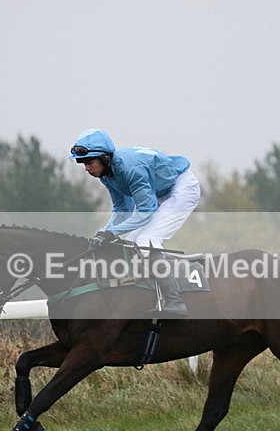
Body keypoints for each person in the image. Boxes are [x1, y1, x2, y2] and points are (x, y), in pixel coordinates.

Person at [70, 128, 201, 318]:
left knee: (146, 240)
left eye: (90, 162)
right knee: (130, 245)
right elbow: (122, 209)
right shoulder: (106, 174)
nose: (87, 168)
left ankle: (175, 302)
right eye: (83, 164)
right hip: (159, 193)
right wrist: (104, 232)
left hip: (181, 188)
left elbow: (146, 211)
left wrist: (112, 233)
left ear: (106, 158)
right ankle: (148, 295)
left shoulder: (129, 168)